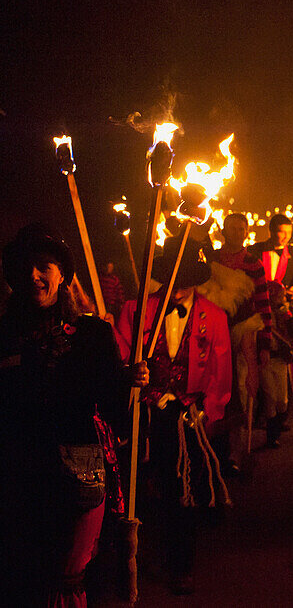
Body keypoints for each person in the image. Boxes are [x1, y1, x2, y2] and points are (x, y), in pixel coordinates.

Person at [0, 225, 144, 606]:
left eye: (43, 266)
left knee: (69, 576)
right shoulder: (4, 335)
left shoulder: (93, 334)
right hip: (17, 478)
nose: (34, 275)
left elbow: (113, 410)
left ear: (62, 275)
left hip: (77, 477)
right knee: (22, 575)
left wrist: (127, 381)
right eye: (25, 267)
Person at [116, 237, 232, 595]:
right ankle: (141, 555)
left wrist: (209, 413)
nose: (181, 289)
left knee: (183, 494)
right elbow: (119, 354)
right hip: (143, 414)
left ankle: (182, 564)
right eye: (175, 280)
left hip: (186, 418)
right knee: (140, 493)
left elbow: (220, 370)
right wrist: (130, 373)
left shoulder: (213, 315)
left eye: (189, 281)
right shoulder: (135, 311)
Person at [207, 211, 273, 469]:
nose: (236, 232)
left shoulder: (254, 264)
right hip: (212, 333)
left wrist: (264, 344)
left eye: (241, 229)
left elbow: (263, 304)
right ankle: (211, 446)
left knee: (241, 392)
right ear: (223, 231)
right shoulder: (211, 259)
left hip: (242, 334)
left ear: (247, 232)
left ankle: (235, 452)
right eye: (231, 228)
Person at [248, 213, 293, 445]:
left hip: (283, 317)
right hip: (259, 313)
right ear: (271, 231)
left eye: (288, 233)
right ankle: (262, 415)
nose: (284, 237)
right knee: (260, 364)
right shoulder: (254, 251)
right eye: (281, 232)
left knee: (283, 368)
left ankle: (276, 421)